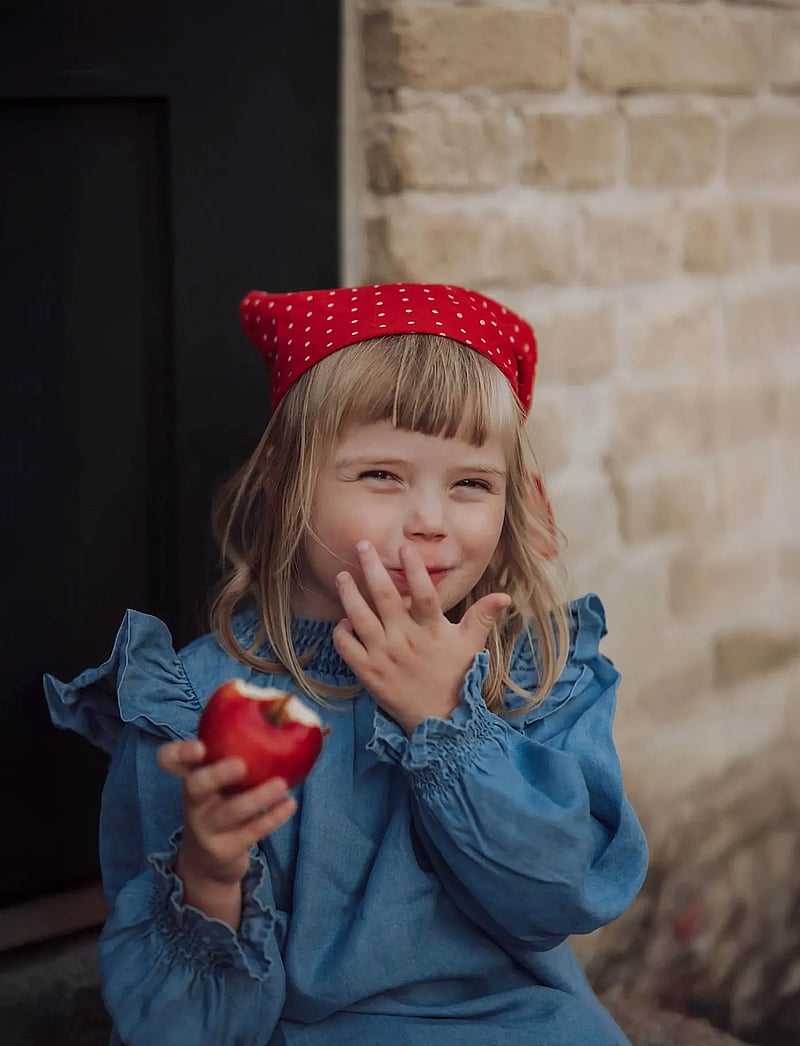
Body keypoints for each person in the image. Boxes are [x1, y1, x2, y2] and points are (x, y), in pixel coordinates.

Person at [45, 282, 648, 1046]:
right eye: (381, 476)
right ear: (282, 480)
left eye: (470, 483)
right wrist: (210, 873)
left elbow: (561, 898)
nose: (430, 522)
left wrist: (446, 723)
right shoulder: (196, 702)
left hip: (517, 1023)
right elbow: (182, 1028)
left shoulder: (529, 676)